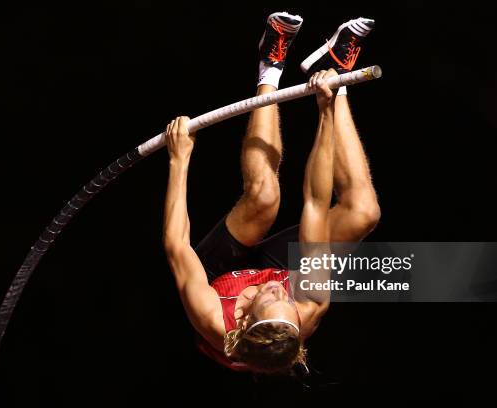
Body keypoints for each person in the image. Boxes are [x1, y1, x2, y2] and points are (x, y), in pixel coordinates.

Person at [162, 12, 380, 374]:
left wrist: (179, 158)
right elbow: (314, 203)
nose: (280, 290)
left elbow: (176, 244)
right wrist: (325, 110)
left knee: (263, 198)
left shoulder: (215, 317)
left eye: (272, 296)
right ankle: (336, 74)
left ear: (246, 320)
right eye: (285, 299)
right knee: (363, 212)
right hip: (280, 279)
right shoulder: (309, 302)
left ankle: (270, 66)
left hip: (218, 274)